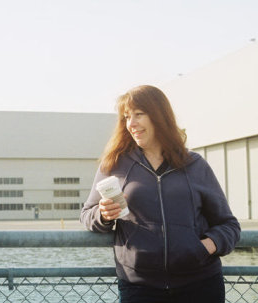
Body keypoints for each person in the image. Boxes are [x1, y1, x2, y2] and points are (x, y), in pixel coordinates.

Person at [80, 85, 240, 303]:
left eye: (139, 114)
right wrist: (103, 215)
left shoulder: (194, 165)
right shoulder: (115, 165)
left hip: (199, 284)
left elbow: (228, 225)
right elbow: (87, 214)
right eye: (127, 117)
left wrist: (203, 248)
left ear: (158, 116)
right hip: (139, 288)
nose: (131, 124)